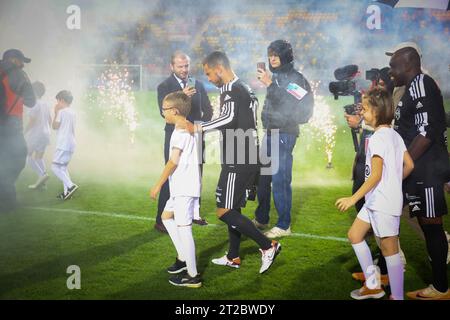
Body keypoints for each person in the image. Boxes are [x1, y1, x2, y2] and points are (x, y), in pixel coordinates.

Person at [181, 51, 281, 273]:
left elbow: (228, 118)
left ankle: (268, 245)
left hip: (239, 156)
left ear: (219, 68)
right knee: (233, 206)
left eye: (208, 73)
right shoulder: (245, 86)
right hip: (246, 154)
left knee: (223, 210)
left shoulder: (230, 89)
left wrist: (197, 127)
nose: (208, 78)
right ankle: (233, 256)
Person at [336, 87, 415, 300]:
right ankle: (373, 285)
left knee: (390, 249)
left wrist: (353, 198)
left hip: (382, 203)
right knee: (355, 235)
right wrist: (394, 182)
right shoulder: (393, 134)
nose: (362, 113)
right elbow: (409, 164)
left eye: (366, 109)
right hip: (376, 200)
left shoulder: (379, 138)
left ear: (377, 112)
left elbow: (376, 175)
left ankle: (397, 296)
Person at [389, 46, 450, 300]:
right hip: (419, 169)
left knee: (432, 226)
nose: (391, 72)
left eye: (394, 67)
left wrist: (403, 165)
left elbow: (426, 132)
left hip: (427, 170)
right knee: (389, 215)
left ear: (408, 64)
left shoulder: (421, 84)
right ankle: (385, 270)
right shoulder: (411, 88)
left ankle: (440, 288)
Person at [253, 39, 313, 238]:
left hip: (284, 134)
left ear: (285, 56)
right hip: (270, 132)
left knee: (280, 179)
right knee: (262, 179)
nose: (272, 58)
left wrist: (270, 84)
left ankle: (284, 224)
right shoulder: (277, 76)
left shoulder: (296, 79)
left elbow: (295, 103)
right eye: (270, 55)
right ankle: (262, 218)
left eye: (276, 55)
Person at [154, 50, 213, 233]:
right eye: (180, 66)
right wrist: (182, 95)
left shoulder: (198, 84)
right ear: (172, 67)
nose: (184, 69)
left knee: (197, 174)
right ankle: (161, 220)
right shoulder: (164, 86)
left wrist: (200, 128)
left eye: (186, 65)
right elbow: (163, 112)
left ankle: (194, 214)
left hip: (195, 136)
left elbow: (208, 110)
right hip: (175, 135)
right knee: (172, 173)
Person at [150, 91, 202, 288]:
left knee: (185, 229)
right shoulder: (186, 128)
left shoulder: (180, 132)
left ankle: (193, 275)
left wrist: (158, 184)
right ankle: (183, 257)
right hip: (181, 186)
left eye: (164, 110)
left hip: (184, 188)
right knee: (166, 216)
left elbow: (173, 162)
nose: (163, 113)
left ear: (174, 110)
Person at [0, 49, 36, 213]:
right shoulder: (18, 74)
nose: (23, 65)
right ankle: (7, 199)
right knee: (18, 158)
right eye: (21, 61)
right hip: (11, 122)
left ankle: (7, 197)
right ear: (13, 60)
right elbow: (31, 101)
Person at [51, 90, 78, 200]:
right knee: (63, 167)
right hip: (71, 143)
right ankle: (67, 193)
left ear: (61, 100)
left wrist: (56, 112)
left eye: (57, 100)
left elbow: (55, 126)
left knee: (54, 167)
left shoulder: (61, 112)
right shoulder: (73, 112)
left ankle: (71, 186)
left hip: (63, 143)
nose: (57, 103)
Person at [25, 81, 52, 189]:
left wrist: (24, 132)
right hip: (46, 134)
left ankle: (43, 175)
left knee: (27, 156)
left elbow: (32, 121)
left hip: (36, 133)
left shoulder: (33, 103)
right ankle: (43, 184)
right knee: (38, 158)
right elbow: (49, 120)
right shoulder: (45, 104)